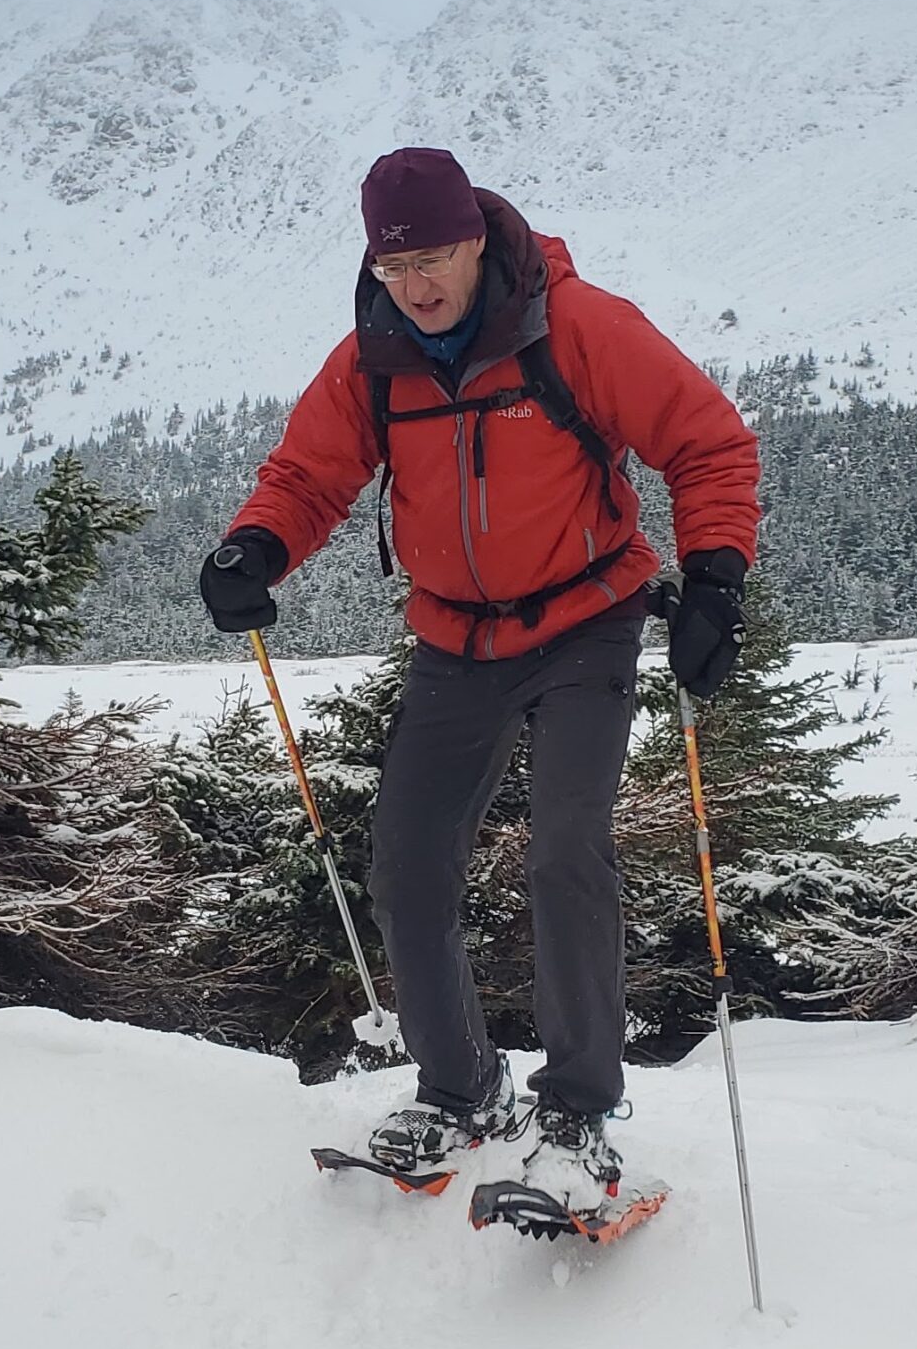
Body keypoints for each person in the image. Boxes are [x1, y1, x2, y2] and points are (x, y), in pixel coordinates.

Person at [198, 146, 761, 1210]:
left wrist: (718, 581)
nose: (416, 287)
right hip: (455, 642)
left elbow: (708, 445)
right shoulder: (374, 356)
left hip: (588, 623)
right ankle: (462, 1089)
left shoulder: (576, 325)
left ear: (474, 240)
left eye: (435, 261)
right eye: (391, 267)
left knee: (564, 850)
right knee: (407, 857)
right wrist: (256, 548)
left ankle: (580, 1114)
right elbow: (309, 473)